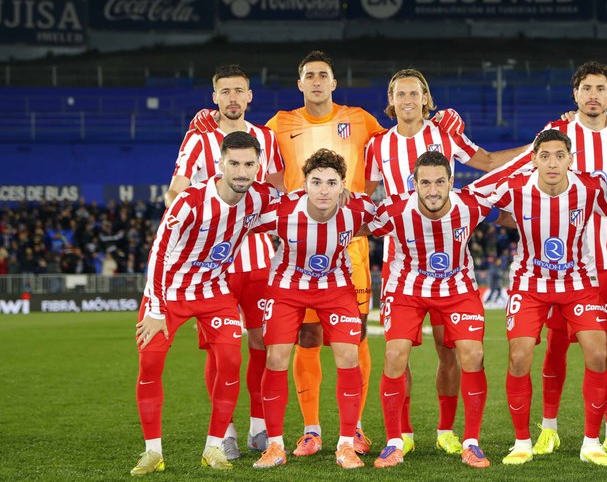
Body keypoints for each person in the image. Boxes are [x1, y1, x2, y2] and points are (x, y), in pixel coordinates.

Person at [188, 51, 461, 457]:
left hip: (350, 246)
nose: (316, 81)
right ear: (299, 84)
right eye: (309, 76)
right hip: (297, 246)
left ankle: (358, 430)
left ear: (334, 82)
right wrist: (209, 120)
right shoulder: (278, 125)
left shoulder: (363, 120)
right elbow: (244, 141)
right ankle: (311, 430)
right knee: (307, 336)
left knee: (356, 342)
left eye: (323, 75)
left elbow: (405, 132)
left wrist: (439, 120)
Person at [473, 61, 607, 458]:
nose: (594, 95)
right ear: (575, 94)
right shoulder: (557, 132)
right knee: (553, 346)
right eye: (586, 88)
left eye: (601, 88)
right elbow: (509, 176)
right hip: (551, 265)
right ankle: (546, 429)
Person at [364, 68, 528, 456]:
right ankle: (400, 432)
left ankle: (447, 429)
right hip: (401, 262)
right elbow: (365, 196)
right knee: (396, 353)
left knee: (450, 351)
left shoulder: (445, 133)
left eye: (414, 93)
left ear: (426, 98)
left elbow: (488, 162)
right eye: (400, 94)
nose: (407, 100)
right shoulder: (377, 146)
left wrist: (534, 147)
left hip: (451, 261)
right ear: (391, 101)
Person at [131, 132, 280, 476]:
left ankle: (214, 447)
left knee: (230, 359)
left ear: (259, 166)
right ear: (220, 164)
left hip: (214, 292)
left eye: (249, 164)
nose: (242, 172)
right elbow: (158, 251)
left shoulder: (260, 197)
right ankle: (152, 452)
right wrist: (154, 309)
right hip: (169, 295)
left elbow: (294, 206)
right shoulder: (191, 200)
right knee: (150, 366)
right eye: (235, 163)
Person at [166, 64, 285, 459]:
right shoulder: (197, 140)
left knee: (261, 343)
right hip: (211, 270)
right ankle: (226, 431)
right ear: (214, 96)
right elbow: (174, 195)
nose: (233, 97)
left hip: (257, 262)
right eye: (225, 91)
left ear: (250, 96)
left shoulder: (266, 138)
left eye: (239, 90)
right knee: (220, 351)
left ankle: (258, 426)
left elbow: (278, 195)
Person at [484, 129, 607, 467]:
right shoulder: (516, 188)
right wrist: (510, 221)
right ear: (533, 160)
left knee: (599, 354)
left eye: (560, 155)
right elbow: (482, 206)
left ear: (571, 159)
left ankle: (591, 442)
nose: (552, 162)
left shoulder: (589, 189)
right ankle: (522, 442)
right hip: (531, 282)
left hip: (578, 282)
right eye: (545, 156)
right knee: (519, 357)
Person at [365, 151, 493, 469]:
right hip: (407, 288)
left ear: (451, 182)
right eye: (425, 183)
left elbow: (511, 209)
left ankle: (470, 442)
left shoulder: (472, 205)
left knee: (472, 355)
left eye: (439, 182)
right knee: (395, 354)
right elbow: (356, 224)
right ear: (414, 184)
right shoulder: (395, 211)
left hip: (457, 288)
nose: (433, 190)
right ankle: (395, 441)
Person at [250, 149, 374, 470]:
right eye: (316, 182)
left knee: (348, 357)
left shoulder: (358, 209)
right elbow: (240, 224)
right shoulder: (282, 210)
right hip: (287, 288)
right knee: (275, 358)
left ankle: (346, 444)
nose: (323, 190)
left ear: (342, 186)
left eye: (331, 183)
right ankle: (275, 446)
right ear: (304, 183)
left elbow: (396, 220)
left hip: (335, 287)